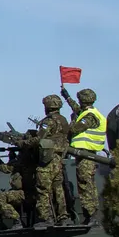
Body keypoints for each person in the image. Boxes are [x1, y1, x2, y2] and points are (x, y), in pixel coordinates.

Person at [62, 86, 106, 223]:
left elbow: (75, 127)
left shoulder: (91, 116)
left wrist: (71, 121)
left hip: (87, 155)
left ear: (82, 100)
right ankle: (91, 215)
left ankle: (91, 215)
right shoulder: (87, 112)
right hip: (84, 154)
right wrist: (67, 97)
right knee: (87, 184)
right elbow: (77, 110)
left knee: (85, 184)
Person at [37, 94, 72, 225]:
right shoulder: (64, 120)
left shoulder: (48, 121)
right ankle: (63, 217)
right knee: (58, 188)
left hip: (48, 159)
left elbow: (38, 139)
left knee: (43, 188)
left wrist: (23, 142)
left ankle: (47, 218)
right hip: (59, 159)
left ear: (47, 106)